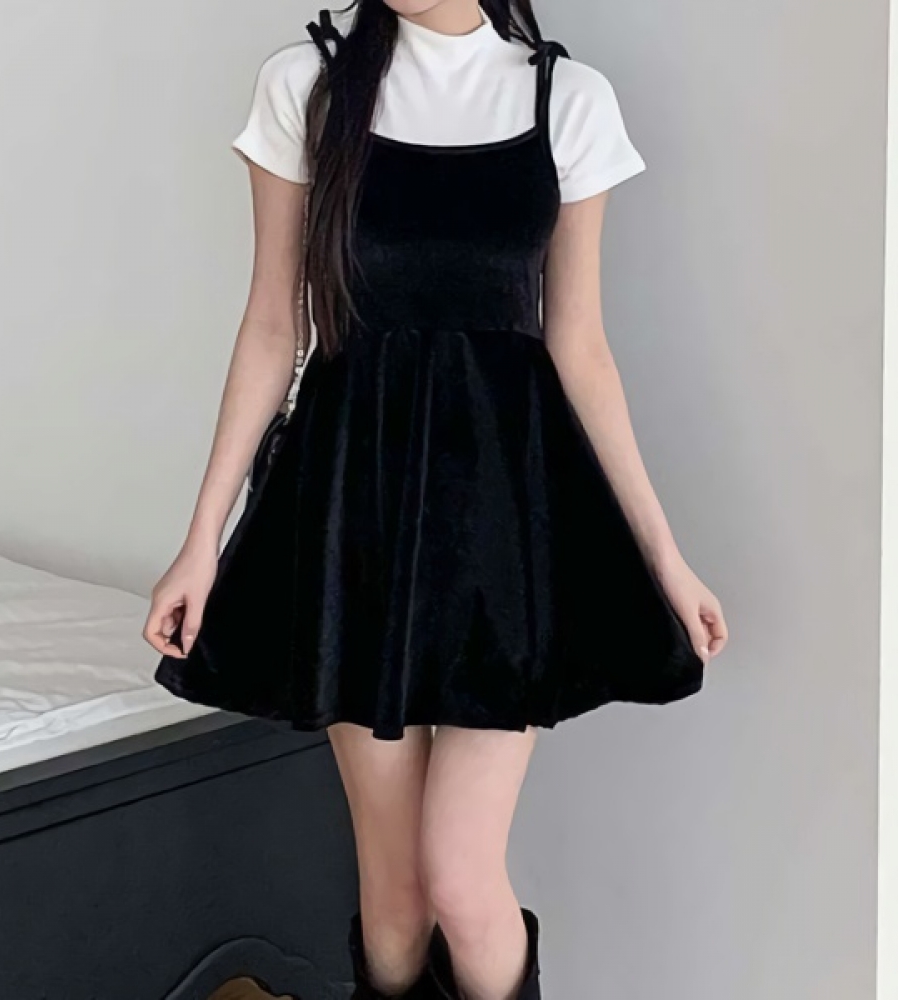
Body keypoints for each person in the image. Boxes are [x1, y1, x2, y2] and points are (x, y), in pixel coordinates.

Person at [145, 2, 728, 997]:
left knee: (460, 877)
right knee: (396, 897)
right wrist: (202, 540)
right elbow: (273, 325)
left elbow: (579, 345)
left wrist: (663, 556)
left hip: (500, 525)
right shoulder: (307, 84)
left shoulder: (566, 99)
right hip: (353, 510)